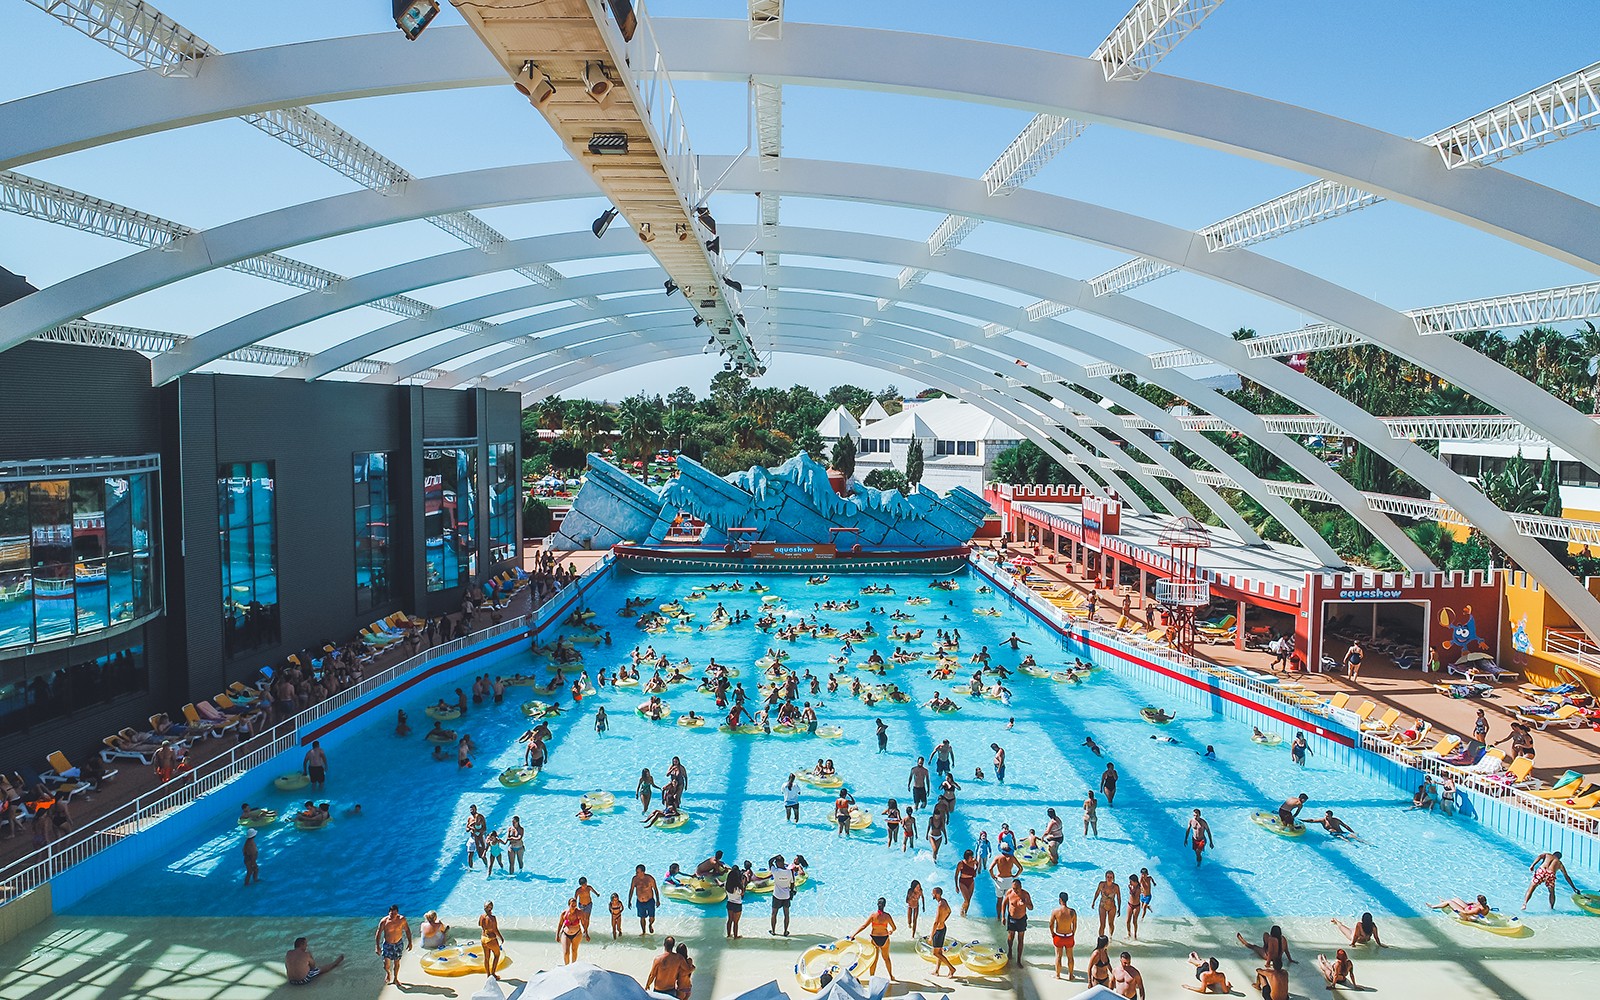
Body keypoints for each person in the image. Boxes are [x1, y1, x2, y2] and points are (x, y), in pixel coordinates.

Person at [851, 897, 897, 981]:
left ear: (877, 905)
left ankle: (872, 977)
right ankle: (891, 976)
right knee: (886, 958)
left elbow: (864, 926)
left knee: (874, 960)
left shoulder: (873, 916)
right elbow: (894, 927)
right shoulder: (887, 916)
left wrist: (854, 934)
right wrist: (891, 931)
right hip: (885, 938)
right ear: (884, 905)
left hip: (874, 939)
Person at [375, 904, 411, 986]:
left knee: (397, 962)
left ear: (397, 913)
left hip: (398, 944)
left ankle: (395, 979)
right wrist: (377, 946)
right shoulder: (384, 921)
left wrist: (410, 942)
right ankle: (388, 973)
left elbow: (407, 930)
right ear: (388, 913)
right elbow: (378, 933)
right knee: (386, 964)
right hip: (388, 944)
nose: (392, 916)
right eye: (391, 914)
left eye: (394, 914)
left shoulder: (402, 920)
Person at [1049, 891, 1079, 981]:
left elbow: (1050, 924)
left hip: (1059, 936)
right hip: (1069, 936)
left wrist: (1052, 934)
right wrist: (1073, 933)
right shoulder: (1072, 912)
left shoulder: (1056, 911)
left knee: (1058, 956)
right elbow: (1075, 925)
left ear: (1060, 900)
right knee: (1070, 957)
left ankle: (1058, 975)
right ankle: (1071, 975)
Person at [1003, 877, 1034, 962]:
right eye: (1013, 888)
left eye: (1016, 888)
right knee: (1010, 937)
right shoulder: (1009, 892)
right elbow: (1004, 903)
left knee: (1020, 940)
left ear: (1021, 887)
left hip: (1021, 919)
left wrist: (1026, 903)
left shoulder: (1025, 895)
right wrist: (1003, 916)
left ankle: (1019, 959)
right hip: (1011, 918)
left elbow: (1031, 908)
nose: (1015, 890)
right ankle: (1010, 951)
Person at [769, 856, 795, 936]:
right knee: (786, 914)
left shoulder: (775, 871)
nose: (775, 864)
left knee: (774, 914)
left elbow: (770, 862)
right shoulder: (790, 872)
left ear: (778, 863)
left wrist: (775, 857)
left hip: (777, 895)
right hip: (786, 895)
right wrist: (791, 892)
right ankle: (785, 931)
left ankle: (773, 931)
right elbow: (792, 883)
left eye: (776, 862)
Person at [630, 863, 659, 934]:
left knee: (651, 917)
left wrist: (658, 900)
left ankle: (650, 924)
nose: (636, 873)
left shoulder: (650, 879)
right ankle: (643, 932)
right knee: (642, 917)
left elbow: (655, 889)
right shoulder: (635, 879)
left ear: (643, 872)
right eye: (636, 872)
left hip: (649, 901)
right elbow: (631, 890)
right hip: (640, 901)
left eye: (638, 872)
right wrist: (629, 900)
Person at [479, 900, 505, 978]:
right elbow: (495, 930)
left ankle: (488, 975)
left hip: (483, 938)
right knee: (497, 955)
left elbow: (479, 924)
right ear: (491, 908)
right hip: (491, 939)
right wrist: (501, 938)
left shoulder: (482, 916)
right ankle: (493, 974)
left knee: (486, 958)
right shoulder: (493, 918)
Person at [1093, 870, 1121, 937]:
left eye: (1111, 877)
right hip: (1102, 906)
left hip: (1112, 907)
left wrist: (1119, 908)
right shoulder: (1101, 885)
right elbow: (1097, 893)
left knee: (1111, 923)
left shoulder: (1116, 887)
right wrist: (1093, 901)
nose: (1109, 878)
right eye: (1108, 877)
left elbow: (1119, 898)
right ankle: (1101, 939)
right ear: (1105, 877)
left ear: (1113, 878)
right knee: (1102, 924)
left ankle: (1110, 937)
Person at [558, 897, 584, 964]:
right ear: (569, 904)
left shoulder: (579, 913)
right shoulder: (564, 913)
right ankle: (567, 967)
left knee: (574, 950)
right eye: (572, 905)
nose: (573, 906)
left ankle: (573, 966)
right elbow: (560, 924)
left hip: (577, 934)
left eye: (575, 905)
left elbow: (584, 923)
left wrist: (586, 933)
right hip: (565, 934)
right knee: (566, 952)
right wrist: (557, 935)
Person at [723, 865, 746, 939]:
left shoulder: (727, 884)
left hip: (729, 903)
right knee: (736, 922)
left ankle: (729, 934)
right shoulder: (738, 887)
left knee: (729, 920)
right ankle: (736, 936)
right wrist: (743, 883)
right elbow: (742, 893)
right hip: (737, 905)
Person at [955, 849, 978, 916]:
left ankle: (965, 913)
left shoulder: (973, 861)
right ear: (967, 857)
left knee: (969, 900)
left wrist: (975, 871)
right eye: (971, 856)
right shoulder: (961, 863)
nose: (972, 857)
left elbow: (977, 864)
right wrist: (956, 886)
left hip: (971, 881)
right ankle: (961, 912)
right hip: (963, 882)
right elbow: (956, 875)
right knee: (967, 900)